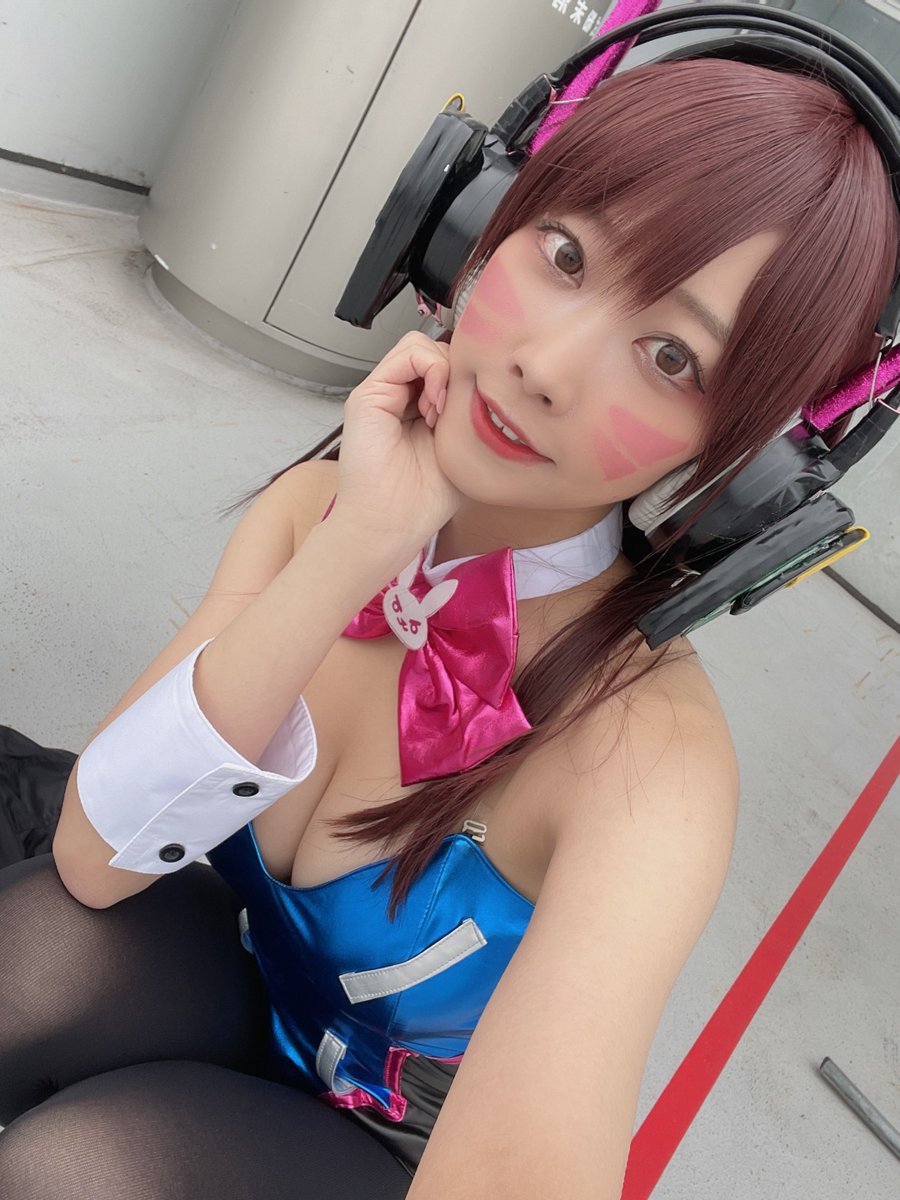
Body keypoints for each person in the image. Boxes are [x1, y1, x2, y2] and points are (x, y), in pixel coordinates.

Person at [0, 50, 896, 1200]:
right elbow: (96, 856)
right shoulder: (321, 507)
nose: (545, 365)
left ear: (744, 465)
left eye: (671, 357)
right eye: (565, 255)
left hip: (384, 1153)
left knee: (79, 1173)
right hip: (231, 978)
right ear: (474, 217)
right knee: (30, 956)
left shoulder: (645, 764)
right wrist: (357, 546)